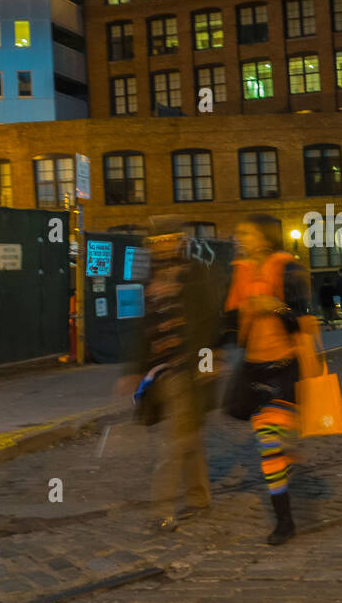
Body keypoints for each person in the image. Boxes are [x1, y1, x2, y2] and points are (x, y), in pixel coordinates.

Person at [224, 214, 318, 545]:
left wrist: (275, 308)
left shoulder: (288, 268)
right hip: (253, 368)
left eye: (246, 232)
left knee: (268, 445)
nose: (240, 238)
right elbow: (231, 324)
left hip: (284, 367)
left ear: (264, 237)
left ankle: (285, 522)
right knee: (273, 443)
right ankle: (287, 455)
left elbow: (303, 321)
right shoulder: (240, 271)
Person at [123, 217, 220, 533]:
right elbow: (145, 328)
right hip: (161, 373)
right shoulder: (150, 278)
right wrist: (134, 370)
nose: (163, 246)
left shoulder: (194, 274)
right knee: (187, 437)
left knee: (173, 442)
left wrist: (206, 367)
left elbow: (208, 325)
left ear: (180, 241)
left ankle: (161, 510)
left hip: (188, 370)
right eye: (156, 241)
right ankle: (200, 497)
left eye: (168, 239)